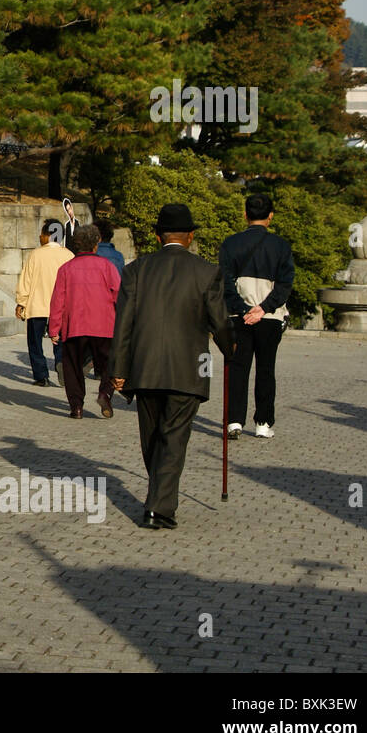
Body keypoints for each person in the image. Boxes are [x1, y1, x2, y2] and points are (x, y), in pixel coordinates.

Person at [110, 204, 234, 530]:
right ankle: (159, 506)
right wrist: (231, 348)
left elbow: (122, 323)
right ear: (191, 236)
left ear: (157, 235)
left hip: (144, 367)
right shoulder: (206, 272)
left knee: (152, 437)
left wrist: (117, 369)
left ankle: (159, 498)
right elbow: (219, 322)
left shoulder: (136, 270)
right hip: (187, 369)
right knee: (173, 438)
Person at [219, 193, 295, 440]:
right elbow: (285, 284)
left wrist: (243, 309)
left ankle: (234, 421)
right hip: (270, 317)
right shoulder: (281, 246)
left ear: (245, 215)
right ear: (271, 216)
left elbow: (224, 283)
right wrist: (263, 308)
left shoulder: (230, 244)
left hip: (237, 315)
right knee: (265, 368)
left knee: (237, 366)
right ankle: (263, 422)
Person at [48, 224, 121, 418]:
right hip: (104, 325)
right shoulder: (108, 267)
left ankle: (76, 406)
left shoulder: (66, 269)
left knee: (72, 366)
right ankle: (105, 393)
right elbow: (118, 296)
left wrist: (54, 328)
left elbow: (58, 300)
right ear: (97, 244)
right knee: (108, 364)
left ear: (76, 245)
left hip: (75, 325)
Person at [15, 219, 73, 386]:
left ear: (48, 235)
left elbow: (25, 281)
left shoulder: (36, 254)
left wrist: (21, 303)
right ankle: (61, 364)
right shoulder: (69, 255)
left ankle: (41, 376)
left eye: (42, 234)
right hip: (61, 308)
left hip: (37, 306)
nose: (40, 237)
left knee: (35, 342)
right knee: (61, 341)